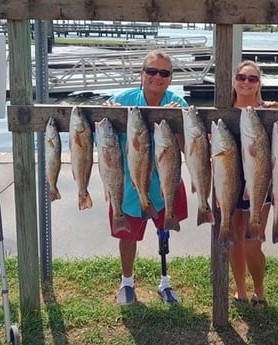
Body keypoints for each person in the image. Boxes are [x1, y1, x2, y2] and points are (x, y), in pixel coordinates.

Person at [103, 50, 189, 305]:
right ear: (141, 74)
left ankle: (165, 281)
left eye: (164, 73)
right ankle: (127, 282)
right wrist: (107, 112)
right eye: (151, 71)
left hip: (165, 184)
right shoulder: (121, 99)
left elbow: (188, 147)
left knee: (165, 230)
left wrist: (178, 121)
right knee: (127, 236)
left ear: (170, 78)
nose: (157, 77)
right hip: (129, 185)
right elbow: (101, 136)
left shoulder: (178, 103)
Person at [230, 60, 278, 308]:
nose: (246, 82)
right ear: (234, 80)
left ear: (259, 84)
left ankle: (259, 291)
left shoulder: (269, 111)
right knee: (233, 240)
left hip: (259, 184)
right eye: (241, 77)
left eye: (252, 78)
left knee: (251, 242)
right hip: (229, 183)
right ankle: (240, 290)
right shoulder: (223, 110)